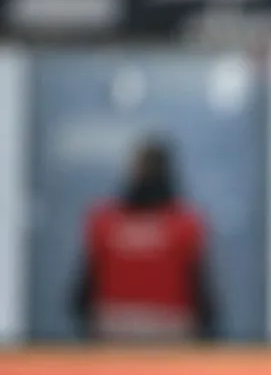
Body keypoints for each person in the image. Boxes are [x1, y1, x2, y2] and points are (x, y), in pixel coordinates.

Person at [72, 138, 217, 342]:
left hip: (121, 327)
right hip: (164, 328)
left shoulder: (105, 222)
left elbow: (85, 287)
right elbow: (201, 288)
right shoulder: (186, 223)